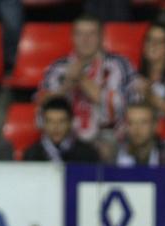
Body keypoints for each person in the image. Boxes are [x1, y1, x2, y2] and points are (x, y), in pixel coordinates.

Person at [37, 13, 134, 157]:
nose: (85, 40)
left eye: (91, 34)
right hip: (66, 135)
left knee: (104, 149)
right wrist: (66, 86)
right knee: (45, 147)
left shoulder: (118, 65)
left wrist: (82, 80)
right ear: (72, 37)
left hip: (105, 135)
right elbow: (44, 110)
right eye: (80, 34)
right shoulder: (58, 68)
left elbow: (118, 109)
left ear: (101, 37)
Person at [23, 97, 100, 162]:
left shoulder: (87, 153)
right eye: (50, 121)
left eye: (61, 121)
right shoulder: (32, 154)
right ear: (44, 124)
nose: (56, 127)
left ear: (70, 122)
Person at [116, 101, 165, 166]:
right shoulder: (113, 157)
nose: (137, 128)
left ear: (155, 125)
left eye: (144, 122)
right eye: (131, 123)